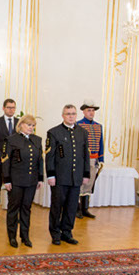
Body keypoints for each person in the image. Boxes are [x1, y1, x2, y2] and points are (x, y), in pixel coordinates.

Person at [45, 104, 90, 245]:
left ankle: (67, 232)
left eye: (73, 114)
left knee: (71, 207)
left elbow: (85, 156)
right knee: (57, 206)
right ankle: (55, 233)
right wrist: (51, 175)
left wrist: (86, 174)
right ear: (63, 115)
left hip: (76, 178)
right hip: (59, 178)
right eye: (68, 114)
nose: (71, 116)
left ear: (76, 115)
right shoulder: (54, 132)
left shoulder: (83, 133)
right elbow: (50, 157)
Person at [2, 115, 43, 248]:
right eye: (29, 125)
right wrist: (7, 180)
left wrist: (40, 178)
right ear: (20, 125)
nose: (31, 128)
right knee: (13, 209)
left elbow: (40, 160)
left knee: (26, 208)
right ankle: (12, 236)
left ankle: (25, 236)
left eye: (33, 125)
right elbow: (6, 161)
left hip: (31, 181)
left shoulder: (37, 140)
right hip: (16, 181)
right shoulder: (11, 140)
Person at [0, 98, 18, 224]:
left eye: (13, 107)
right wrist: (2, 157)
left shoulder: (19, 122)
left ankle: (13, 215)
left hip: (15, 163)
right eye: (9, 107)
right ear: (3, 108)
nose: (11, 110)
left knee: (14, 190)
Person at [77, 102, 103, 219]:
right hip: (82, 159)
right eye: (89, 110)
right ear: (83, 111)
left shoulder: (98, 126)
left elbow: (100, 143)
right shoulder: (78, 125)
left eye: (93, 110)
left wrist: (101, 158)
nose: (91, 113)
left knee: (89, 184)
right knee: (79, 185)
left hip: (94, 159)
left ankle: (85, 209)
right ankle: (77, 209)